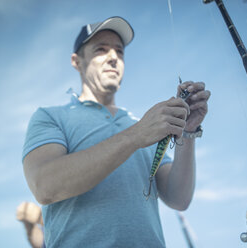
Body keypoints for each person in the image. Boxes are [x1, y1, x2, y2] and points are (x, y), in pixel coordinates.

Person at [22, 16, 210, 247]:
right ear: (76, 61)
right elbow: (45, 186)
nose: (113, 57)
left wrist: (188, 132)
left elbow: (179, 198)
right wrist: (136, 135)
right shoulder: (50, 117)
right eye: (101, 50)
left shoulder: (144, 125)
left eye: (119, 52)